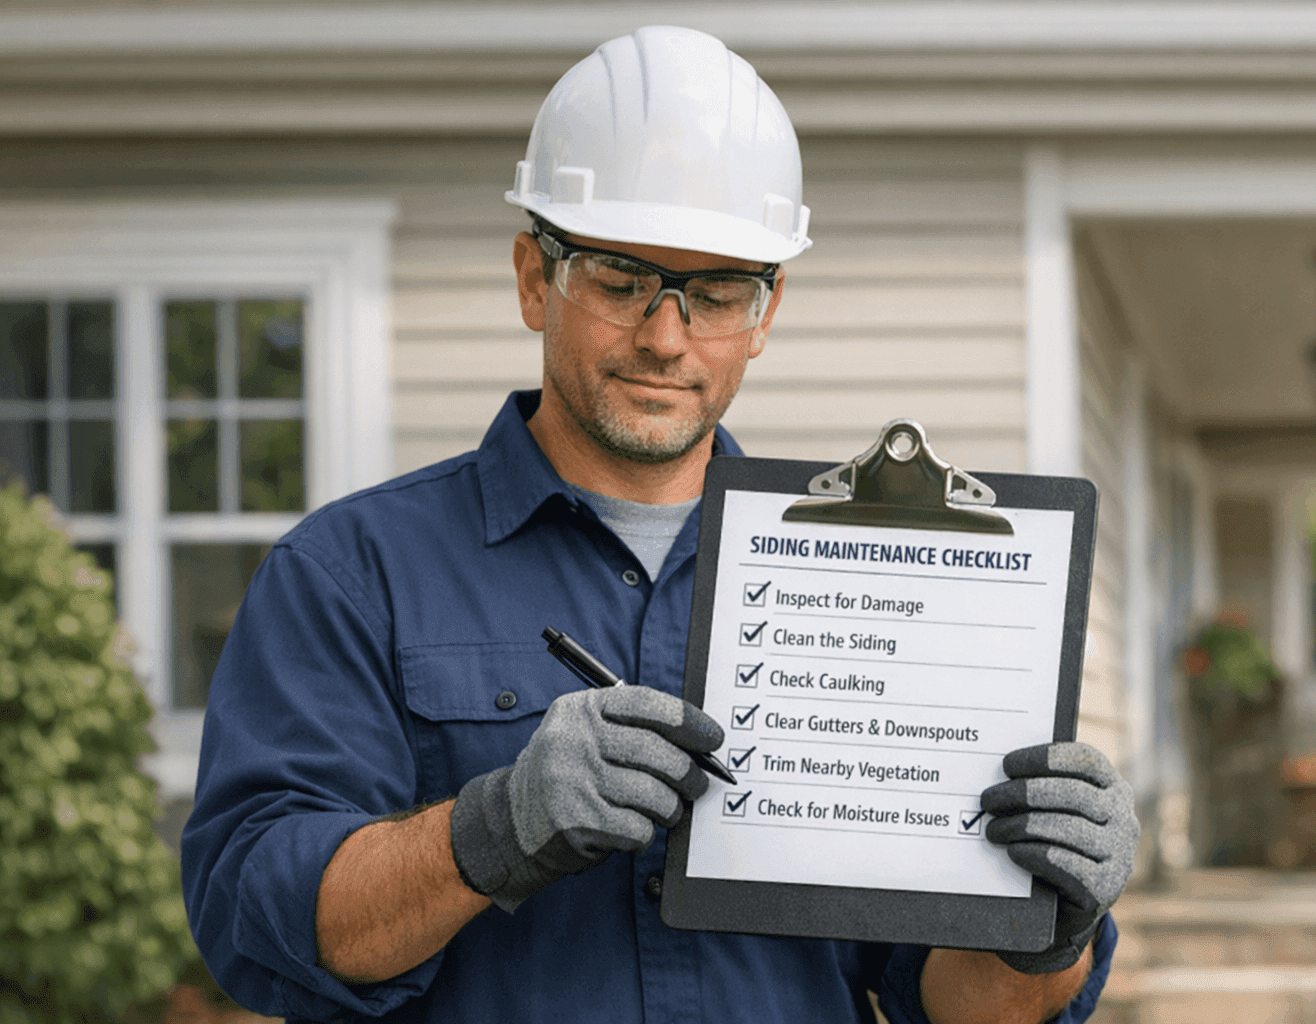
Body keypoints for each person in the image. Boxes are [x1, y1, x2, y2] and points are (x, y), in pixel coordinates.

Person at [181, 26, 1139, 1024]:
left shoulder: (886, 589)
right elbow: (259, 920)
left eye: (717, 292)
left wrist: (1048, 923)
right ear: (531, 278)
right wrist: (492, 827)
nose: (664, 337)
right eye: (620, 279)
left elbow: (952, 1006)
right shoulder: (349, 573)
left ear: (765, 314)